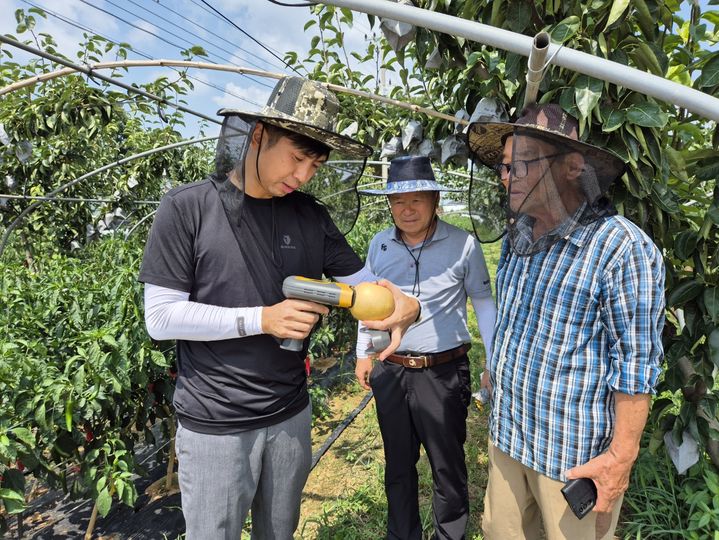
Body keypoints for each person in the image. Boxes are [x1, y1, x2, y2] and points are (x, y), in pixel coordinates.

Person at [139, 76, 420, 539]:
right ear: (258, 136)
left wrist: (408, 304)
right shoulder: (188, 208)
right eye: (297, 157)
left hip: (290, 415)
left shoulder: (310, 217)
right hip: (216, 424)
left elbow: (365, 286)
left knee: (279, 533)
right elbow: (162, 316)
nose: (305, 175)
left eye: (316, 164)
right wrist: (262, 319)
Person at [466, 103, 665, 539]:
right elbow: (514, 322)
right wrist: (494, 367)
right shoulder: (519, 234)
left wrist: (621, 459)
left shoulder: (621, 249)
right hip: (509, 435)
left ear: (573, 167)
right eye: (503, 167)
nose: (506, 177)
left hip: (571, 458)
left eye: (520, 165)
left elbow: (636, 365)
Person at [355, 155, 497, 540]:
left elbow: (483, 303)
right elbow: (365, 303)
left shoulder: (463, 244)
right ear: (389, 205)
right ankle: (403, 534)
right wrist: (362, 355)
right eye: (398, 201)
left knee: (446, 465)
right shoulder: (379, 244)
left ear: (435, 200)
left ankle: (449, 535)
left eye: (417, 199)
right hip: (391, 368)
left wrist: (494, 360)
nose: (407, 208)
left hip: (442, 371)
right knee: (398, 466)